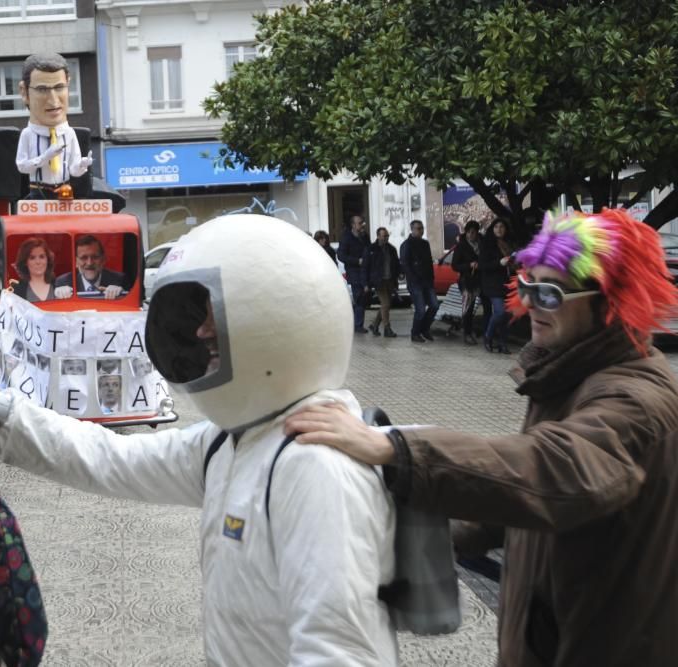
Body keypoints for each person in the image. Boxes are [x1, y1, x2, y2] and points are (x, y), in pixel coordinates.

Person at [0, 214, 397, 665]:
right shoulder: (230, 443)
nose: (199, 332)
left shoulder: (316, 465)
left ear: (277, 313)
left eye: (213, 314)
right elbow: (109, 457)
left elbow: (339, 652)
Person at [285, 208, 678, 667]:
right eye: (526, 285)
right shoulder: (567, 373)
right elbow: (517, 502)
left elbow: (551, 470)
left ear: (611, 302)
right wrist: (404, 532)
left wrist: (396, 450)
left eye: (548, 294)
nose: (528, 303)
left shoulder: (636, 400)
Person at [15, 52, 93, 199]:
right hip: (38, 192)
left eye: (59, 87)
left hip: (65, 192)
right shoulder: (27, 135)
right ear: (24, 92)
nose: (53, 100)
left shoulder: (69, 134)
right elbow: (22, 166)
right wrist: (45, 157)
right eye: (42, 89)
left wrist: (83, 165)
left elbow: (73, 169)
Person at [479, 218, 516, 353]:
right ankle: (488, 336)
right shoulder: (487, 244)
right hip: (493, 284)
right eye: (496, 227)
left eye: (502, 227)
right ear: (492, 229)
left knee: (507, 315)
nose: (499, 229)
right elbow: (482, 265)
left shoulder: (509, 244)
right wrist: (499, 263)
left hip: (508, 283)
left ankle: (503, 343)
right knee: (500, 312)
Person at [53, 235, 128, 299]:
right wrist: (58, 295)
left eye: (95, 257)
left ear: (103, 260)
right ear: (76, 262)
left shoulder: (119, 280)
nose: (89, 263)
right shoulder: (62, 282)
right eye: (84, 257)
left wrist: (122, 294)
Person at [400, 219, 438, 343]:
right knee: (420, 309)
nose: (420, 231)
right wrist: (414, 278)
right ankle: (415, 333)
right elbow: (405, 264)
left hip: (427, 281)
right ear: (412, 229)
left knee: (434, 305)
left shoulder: (425, 243)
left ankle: (424, 329)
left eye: (422, 228)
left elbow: (429, 261)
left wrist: (431, 278)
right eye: (418, 228)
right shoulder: (406, 245)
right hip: (415, 282)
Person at [337, 214, 370, 333]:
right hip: (354, 272)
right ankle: (357, 325)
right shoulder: (346, 238)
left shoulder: (364, 236)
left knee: (364, 298)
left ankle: (358, 323)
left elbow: (369, 249)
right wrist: (357, 261)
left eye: (363, 222)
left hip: (365, 272)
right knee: (359, 297)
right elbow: (341, 255)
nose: (362, 225)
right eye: (360, 223)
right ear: (353, 225)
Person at [365, 227, 400, 338]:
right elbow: (366, 267)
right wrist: (366, 283)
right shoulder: (371, 249)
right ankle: (387, 328)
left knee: (385, 306)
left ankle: (375, 325)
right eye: (384, 236)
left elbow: (396, 265)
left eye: (387, 236)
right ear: (378, 236)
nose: (386, 238)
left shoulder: (391, 249)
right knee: (385, 304)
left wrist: (398, 276)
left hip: (389, 280)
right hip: (378, 281)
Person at [451, 220, 482, 345]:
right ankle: (467, 333)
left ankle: (481, 331)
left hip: (481, 279)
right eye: (469, 232)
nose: (471, 235)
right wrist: (469, 265)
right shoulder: (461, 246)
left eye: (473, 232)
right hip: (467, 281)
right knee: (468, 307)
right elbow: (455, 265)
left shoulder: (482, 244)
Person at [12, 237, 57, 302]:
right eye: (32, 258)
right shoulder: (16, 291)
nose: (38, 262)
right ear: (25, 262)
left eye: (42, 257)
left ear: (48, 259)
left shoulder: (58, 284)